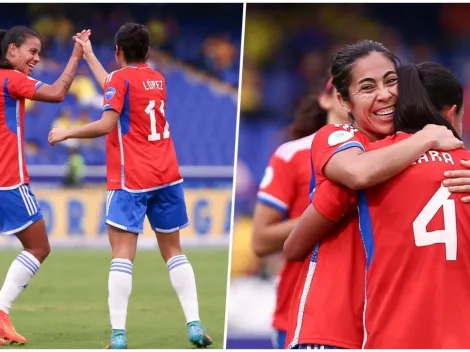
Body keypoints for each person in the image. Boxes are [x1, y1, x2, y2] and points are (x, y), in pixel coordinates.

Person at [284, 40, 469, 349]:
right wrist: (426, 138)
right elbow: (358, 173)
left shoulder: (408, 156)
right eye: (367, 87)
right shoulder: (339, 137)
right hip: (330, 324)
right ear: (344, 101)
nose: (384, 94)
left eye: (391, 81)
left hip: (379, 325)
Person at [47, 23, 212, 349]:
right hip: (167, 175)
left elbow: (109, 118)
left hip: (130, 178)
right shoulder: (158, 78)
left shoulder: (120, 80)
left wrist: (68, 132)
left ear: (118, 52)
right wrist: (89, 55)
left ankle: (119, 335)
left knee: (122, 255)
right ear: (147, 52)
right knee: (174, 252)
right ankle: (194, 324)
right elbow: (115, 84)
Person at [0, 25, 89, 345]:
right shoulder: (9, 78)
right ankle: (1, 313)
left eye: (39, 52)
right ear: (11, 51)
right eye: (31, 51)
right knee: (38, 246)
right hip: (8, 181)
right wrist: (77, 54)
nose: (36, 58)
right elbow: (57, 93)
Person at [251, 78, 348, 349]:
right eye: (342, 92)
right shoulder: (293, 154)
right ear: (325, 99)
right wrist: (325, 212)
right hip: (301, 315)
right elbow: (261, 240)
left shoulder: (386, 155)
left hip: (368, 315)